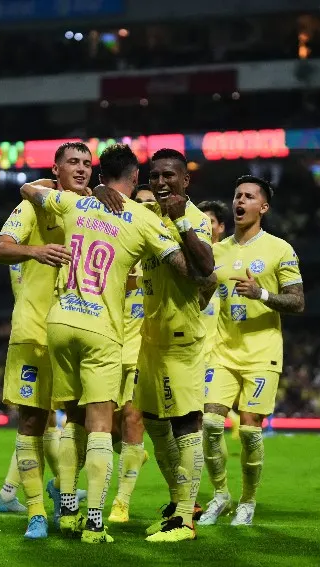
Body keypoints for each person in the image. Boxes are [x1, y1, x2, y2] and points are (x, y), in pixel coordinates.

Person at [18, 143, 206, 544]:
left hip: (59, 322)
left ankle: (66, 513)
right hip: (101, 328)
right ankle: (94, 524)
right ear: (135, 178)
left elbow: (29, 190)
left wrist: (86, 191)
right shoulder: (141, 218)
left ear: (100, 175)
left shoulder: (72, 204)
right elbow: (190, 270)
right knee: (102, 425)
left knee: (72, 421)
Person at [0, 142, 92, 539]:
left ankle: (64, 493)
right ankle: (35, 511)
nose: (81, 169)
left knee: (80, 422)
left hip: (79, 333)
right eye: (73, 162)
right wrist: (35, 250)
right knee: (33, 420)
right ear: (57, 168)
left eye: (86, 163)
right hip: (34, 330)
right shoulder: (35, 205)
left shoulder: (95, 210)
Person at [198, 175, 305, 527]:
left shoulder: (279, 249)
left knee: (249, 431)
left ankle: (247, 501)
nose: (239, 201)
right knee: (211, 424)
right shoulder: (217, 251)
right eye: (236, 195)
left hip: (262, 353)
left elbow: (297, 302)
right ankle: (220, 494)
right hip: (223, 351)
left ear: (264, 207)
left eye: (248, 196)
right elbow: (202, 298)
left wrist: (261, 294)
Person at [136, 148, 217, 543]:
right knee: (152, 421)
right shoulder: (147, 219)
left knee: (187, 421)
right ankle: (177, 504)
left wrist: (181, 219)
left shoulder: (197, 220)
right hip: (150, 337)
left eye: (169, 175)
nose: (162, 182)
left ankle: (185, 519)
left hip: (181, 338)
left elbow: (204, 270)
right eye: (155, 176)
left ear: (186, 181)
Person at [107, 184, 157, 524]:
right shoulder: (116, 244)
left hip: (144, 348)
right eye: (138, 203)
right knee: (108, 427)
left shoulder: (162, 249)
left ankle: (120, 503)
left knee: (131, 416)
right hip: (109, 342)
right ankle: (134, 456)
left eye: (150, 203)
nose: (144, 207)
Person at [196, 200, 235, 436]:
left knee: (207, 418)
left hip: (218, 349)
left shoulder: (231, 258)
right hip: (188, 344)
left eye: (209, 221)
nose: (204, 226)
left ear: (220, 227)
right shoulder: (186, 258)